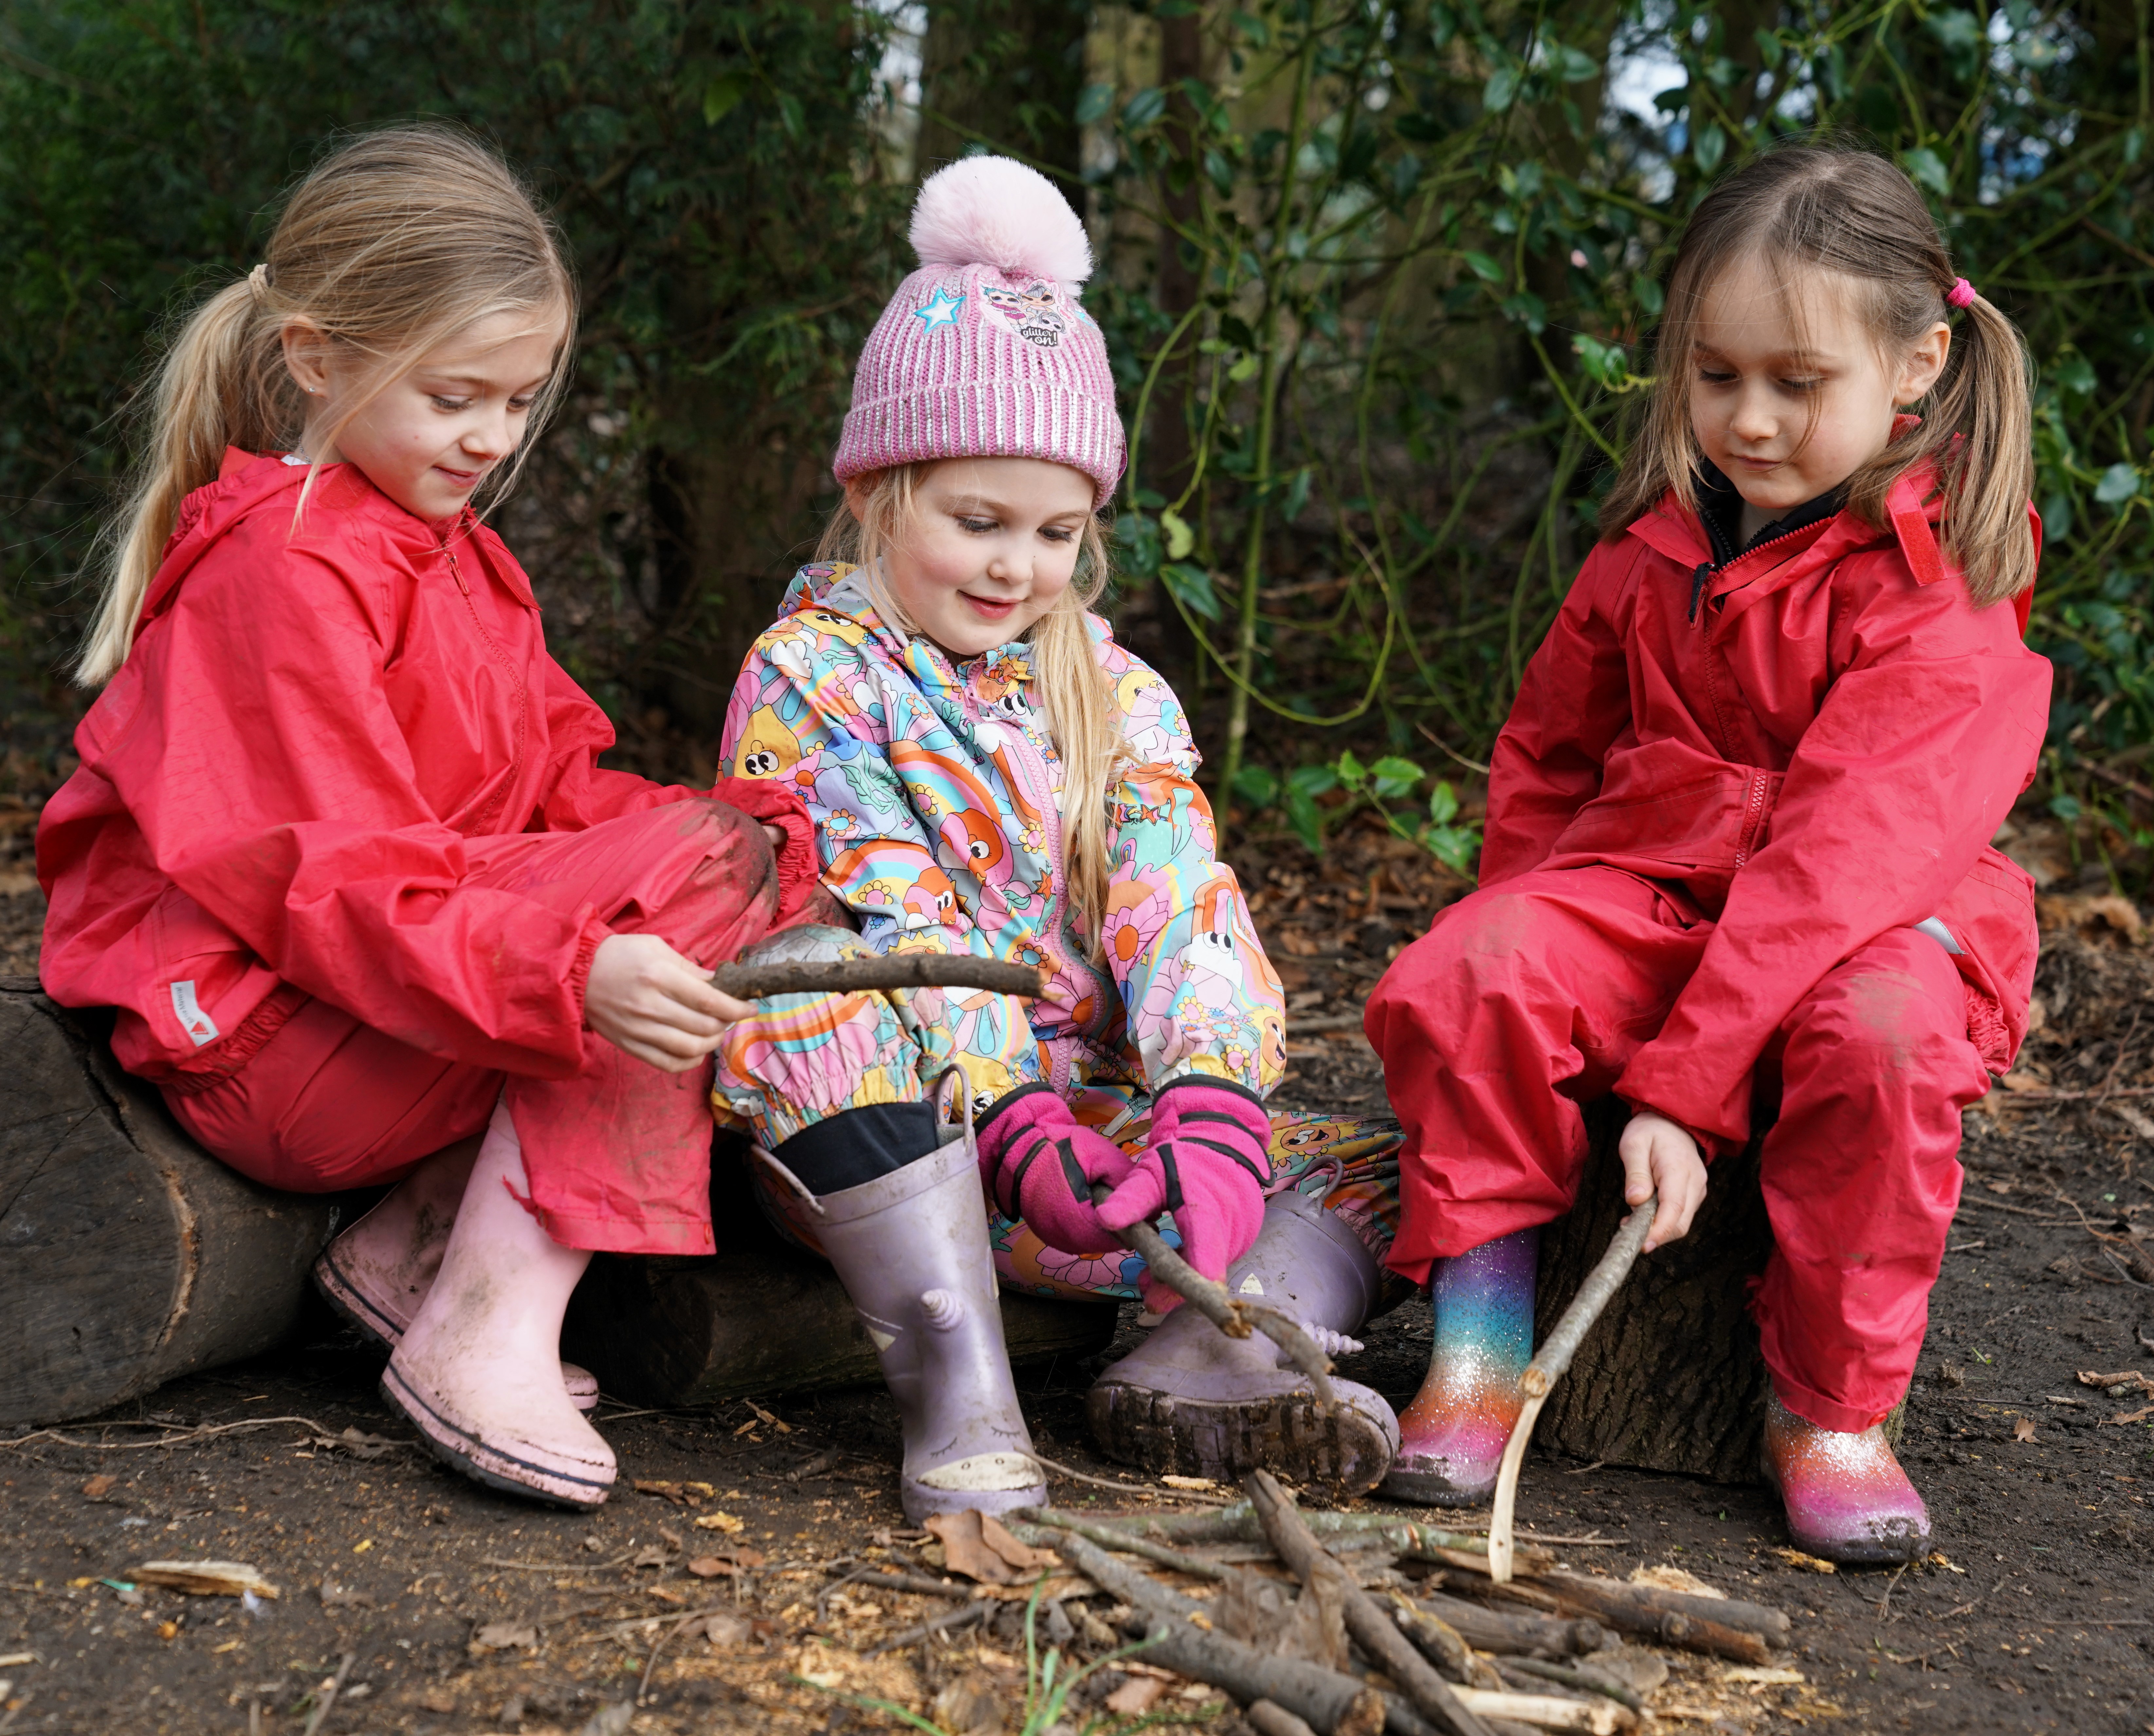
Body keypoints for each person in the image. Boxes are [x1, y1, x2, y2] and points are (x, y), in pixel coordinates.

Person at [36, 127, 821, 1510]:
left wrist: (781, 846)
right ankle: (484, 1323)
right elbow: (331, 883)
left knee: (728, 851)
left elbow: (558, 788)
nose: (496, 438)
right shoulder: (280, 577)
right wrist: (576, 964)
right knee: (684, 885)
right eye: (461, 396)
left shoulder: (456, 555)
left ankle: (415, 1251)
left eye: (521, 401)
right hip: (268, 1036)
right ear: (318, 357)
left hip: (384, 1002)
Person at [1365, 146, 2050, 1562]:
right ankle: (1481, 1347)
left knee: (1881, 1046)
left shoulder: (1943, 604)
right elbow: (1548, 761)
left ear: (1917, 363)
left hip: (1867, 922)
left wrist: (1682, 1091)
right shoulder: (1648, 550)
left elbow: (1835, 871)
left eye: (1798, 384)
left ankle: (1829, 1408)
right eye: (1716, 373)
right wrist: (1523, 942)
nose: (1747, 419)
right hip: (1649, 887)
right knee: (1467, 976)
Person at [715, 156, 1411, 1520]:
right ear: (878, 492)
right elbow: (889, 920)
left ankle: (1218, 1339)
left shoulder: (1111, 686)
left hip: (1084, 1168)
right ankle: (957, 1390)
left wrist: (1205, 1107)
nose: (1013, 568)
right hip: (906, 1138)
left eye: (1054, 531)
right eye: (976, 522)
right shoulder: (809, 675)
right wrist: (1008, 1116)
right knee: (798, 1007)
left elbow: (1176, 891)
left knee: (1370, 1165)